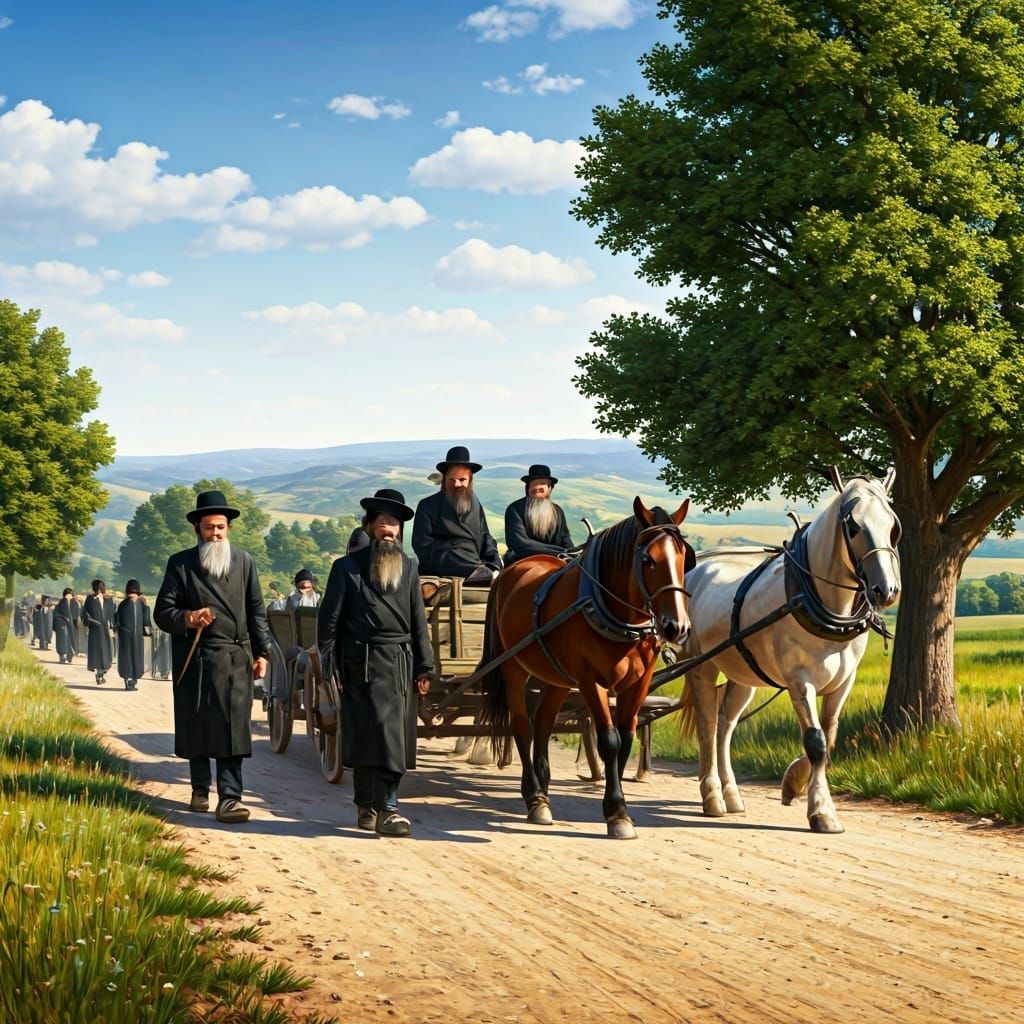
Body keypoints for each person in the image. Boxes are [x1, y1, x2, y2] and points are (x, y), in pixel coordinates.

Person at [317, 488, 433, 837]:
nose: (389, 530)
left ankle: (388, 807)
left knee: (393, 740)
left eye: (395, 524)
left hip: (399, 664)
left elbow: (418, 621)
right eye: (383, 522)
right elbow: (329, 623)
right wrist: (329, 668)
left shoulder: (410, 568)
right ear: (370, 526)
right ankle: (366, 806)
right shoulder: (346, 569)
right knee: (367, 739)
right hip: (360, 665)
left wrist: (425, 667)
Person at [154, 489, 272, 824]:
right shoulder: (181, 564)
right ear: (198, 530)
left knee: (233, 729)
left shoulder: (245, 562)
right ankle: (200, 787)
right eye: (209, 528)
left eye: (220, 527)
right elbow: (163, 612)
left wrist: (261, 651)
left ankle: (231, 799)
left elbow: (256, 610)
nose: (215, 533)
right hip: (198, 658)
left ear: (228, 529)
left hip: (236, 656)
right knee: (199, 725)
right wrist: (189, 618)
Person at [411, 445, 501, 579]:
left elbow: (485, 536)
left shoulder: (475, 505)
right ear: (445, 480)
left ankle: (482, 572)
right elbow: (422, 545)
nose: (457, 484)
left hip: (476, 562)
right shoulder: (427, 505)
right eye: (452, 480)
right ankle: (476, 572)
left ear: (470, 480)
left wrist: (495, 562)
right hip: (442, 566)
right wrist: (453, 551)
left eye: (462, 480)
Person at [503, 464, 575, 565]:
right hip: (522, 561)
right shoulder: (514, 509)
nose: (537, 487)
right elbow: (520, 544)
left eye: (542, 484)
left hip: (557, 561)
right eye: (534, 484)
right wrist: (561, 552)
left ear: (549, 488)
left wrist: (572, 554)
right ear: (528, 488)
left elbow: (566, 540)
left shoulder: (558, 511)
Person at [115, 579, 152, 691]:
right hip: (137, 637)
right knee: (137, 657)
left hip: (125, 637)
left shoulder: (122, 605)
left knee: (126, 658)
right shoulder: (142, 606)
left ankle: (127, 679)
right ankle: (134, 680)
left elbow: (116, 620)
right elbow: (146, 623)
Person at [83, 579, 114, 685]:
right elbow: (85, 615)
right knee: (99, 652)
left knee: (103, 652)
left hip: (102, 629)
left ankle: (100, 673)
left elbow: (111, 615)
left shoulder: (107, 599)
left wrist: (112, 626)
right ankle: (100, 674)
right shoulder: (91, 599)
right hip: (97, 629)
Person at [52, 588, 79, 664]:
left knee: (70, 641)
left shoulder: (73, 602)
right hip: (63, 626)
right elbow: (56, 615)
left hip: (71, 626)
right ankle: (63, 657)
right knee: (63, 641)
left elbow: (77, 614)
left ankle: (68, 657)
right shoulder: (62, 602)